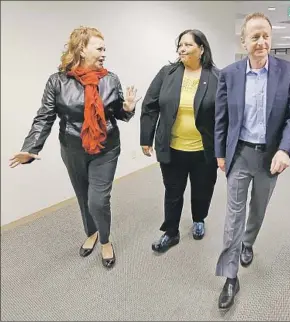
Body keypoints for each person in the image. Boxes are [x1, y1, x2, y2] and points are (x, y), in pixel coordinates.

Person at [9, 26, 140, 269]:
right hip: (73, 148)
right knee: (83, 197)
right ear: (81, 49)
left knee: (97, 200)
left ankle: (105, 239)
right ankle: (91, 232)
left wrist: (128, 108)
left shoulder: (110, 79)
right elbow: (44, 117)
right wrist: (31, 148)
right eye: (99, 48)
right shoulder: (57, 82)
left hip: (106, 148)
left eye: (104, 49)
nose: (104, 54)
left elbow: (116, 113)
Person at [214, 12, 290, 309]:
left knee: (258, 208)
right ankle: (230, 276)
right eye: (255, 37)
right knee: (233, 216)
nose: (262, 42)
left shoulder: (289, 72)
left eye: (266, 35)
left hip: (270, 156)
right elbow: (221, 119)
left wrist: (285, 149)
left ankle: (248, 243)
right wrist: (220, 152)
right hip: (239, 153)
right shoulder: (228, 74)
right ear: (243, 41)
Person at [140, 29, 219, 253]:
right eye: (180, 45)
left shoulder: (216, 77)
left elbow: (225, 116)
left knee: (202, 189)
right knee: (173, 191)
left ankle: (199, 219)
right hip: (172, 147)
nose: (182, 49)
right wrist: (146, 137)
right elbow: (150, 105)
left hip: (204, 149)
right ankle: (171, 232)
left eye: (188, 45)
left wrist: (224, 149)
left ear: (201, 49)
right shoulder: (168, 73)